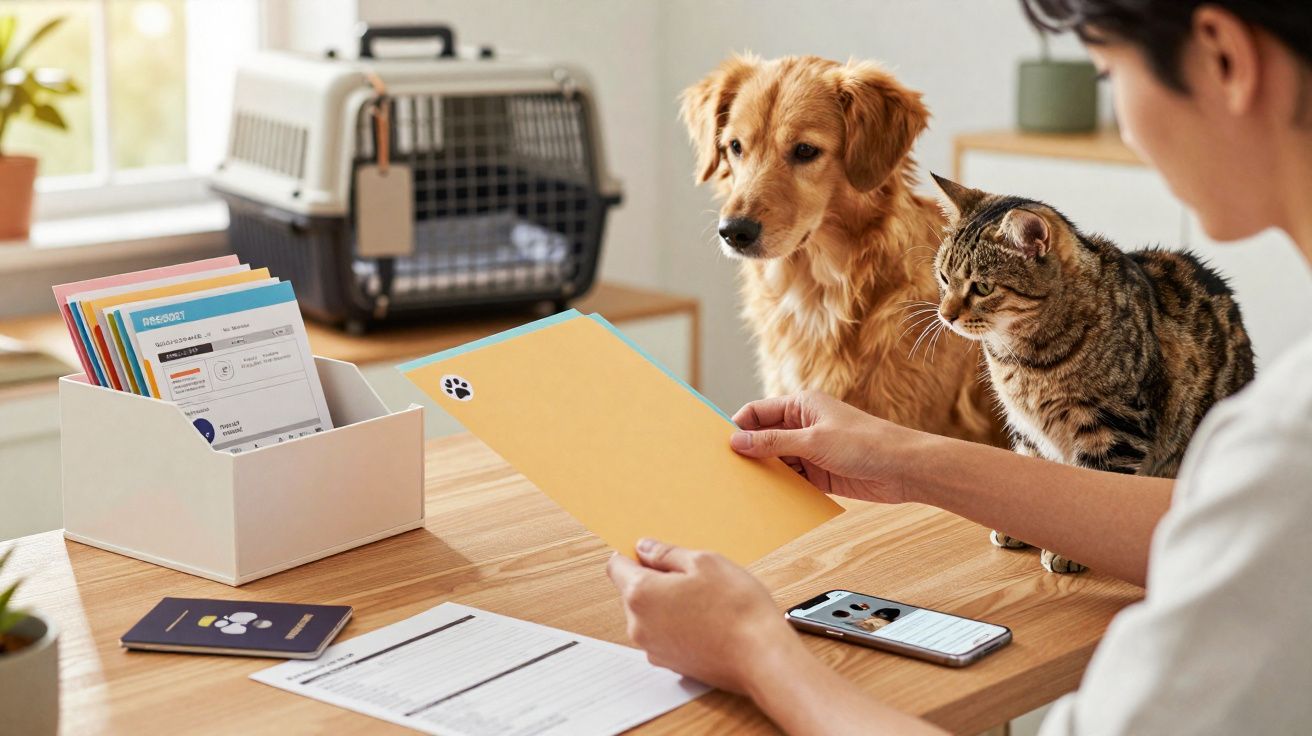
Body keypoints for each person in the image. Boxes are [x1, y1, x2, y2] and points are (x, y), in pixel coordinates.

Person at [606, 2, 1312, 733]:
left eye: (1107, 75)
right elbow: (1198, 520)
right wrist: (907, 460)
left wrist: (754, 648)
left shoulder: (1286, 449)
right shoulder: (1277, 451)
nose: (1126, 127)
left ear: (1225, 59)